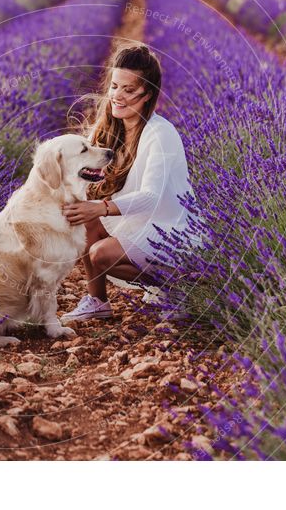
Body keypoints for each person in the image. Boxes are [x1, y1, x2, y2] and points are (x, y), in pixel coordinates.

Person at [60, 43, 195, 323]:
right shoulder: (112, 128)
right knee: (84, 218)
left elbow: (151, 197)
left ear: (148, 94)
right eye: (114, 86)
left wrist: (101, 208)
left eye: (129, 90)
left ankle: (177, 287)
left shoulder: (160, 134)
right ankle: (97, 301)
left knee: (100, 255)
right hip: (136, 222)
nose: (117, 96)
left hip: (169, 229)